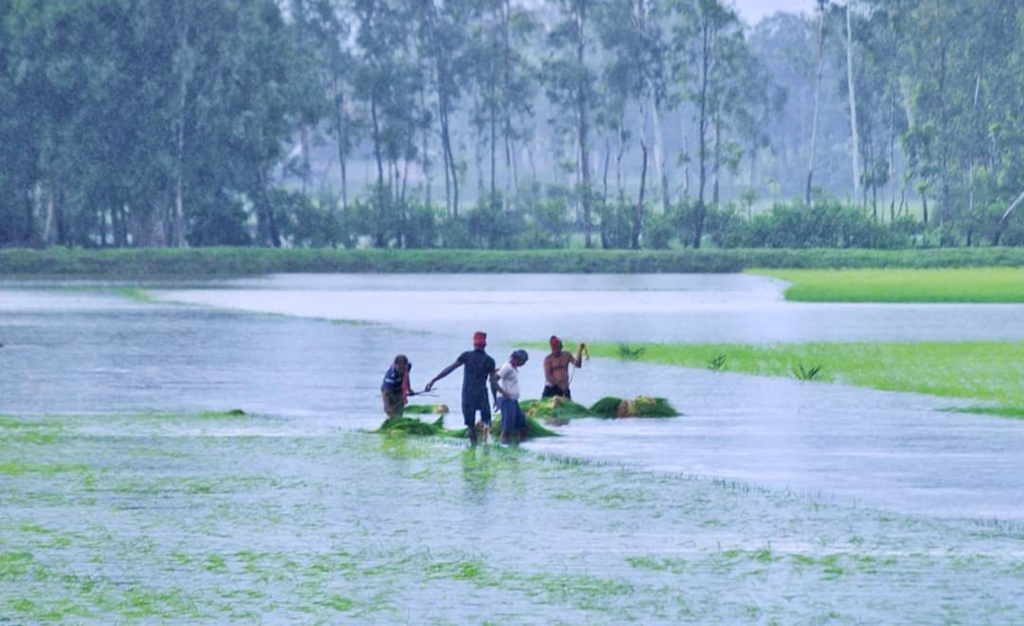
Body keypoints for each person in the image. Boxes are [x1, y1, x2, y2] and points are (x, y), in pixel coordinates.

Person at [426, 331, 499, 444]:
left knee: (470, 426)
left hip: (468, 394)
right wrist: (495, 399)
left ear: (474, 344)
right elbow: (492, 382)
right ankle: (485, 447)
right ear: (485, 344)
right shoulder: (489, 361)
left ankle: (473, 448)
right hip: (482, 394)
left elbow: (450, 369)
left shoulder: (466, 356)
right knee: (486, 423)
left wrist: (433, 380)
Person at [496, 350, 529, 444]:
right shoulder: (508, 367)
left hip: (513, 401)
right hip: (507, 401)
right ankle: (503, 446)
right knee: (507, 429)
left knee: (523, 425)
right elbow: (494, 379)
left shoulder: (512, 368)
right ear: (516, 359)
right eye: (523, 362)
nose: (523, 364)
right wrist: (502, 393)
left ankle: (518, 445)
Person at [381, 354, 411, 419]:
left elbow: (406, 376)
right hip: (390, 391)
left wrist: (408, 389)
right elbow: (385, 393)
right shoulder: (391, 376)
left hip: (399, 388)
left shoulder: (408, 366)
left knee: (400, 411)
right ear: (396, 365)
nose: (402, 370)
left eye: (403, 368)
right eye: (400, 368)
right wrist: (386, 406)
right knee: (392, 413)